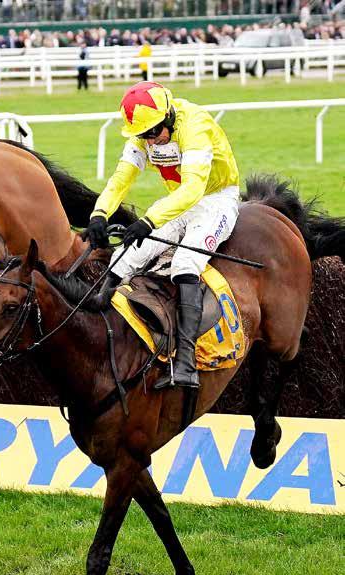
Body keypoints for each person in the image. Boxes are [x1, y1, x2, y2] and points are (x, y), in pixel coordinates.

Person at [85, 81, 240, 389]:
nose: (151, 140)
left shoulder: (195, 125)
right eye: (144, 135)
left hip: (216, 200)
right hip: (178, 202)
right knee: (124, 258)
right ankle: (100, 318)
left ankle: (186, 363)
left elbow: (193, 188)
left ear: (169, 115)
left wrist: (149, 221)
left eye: (154, 132)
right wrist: (99, 213)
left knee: (185, 263)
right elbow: (121, 179)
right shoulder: (144, 133)